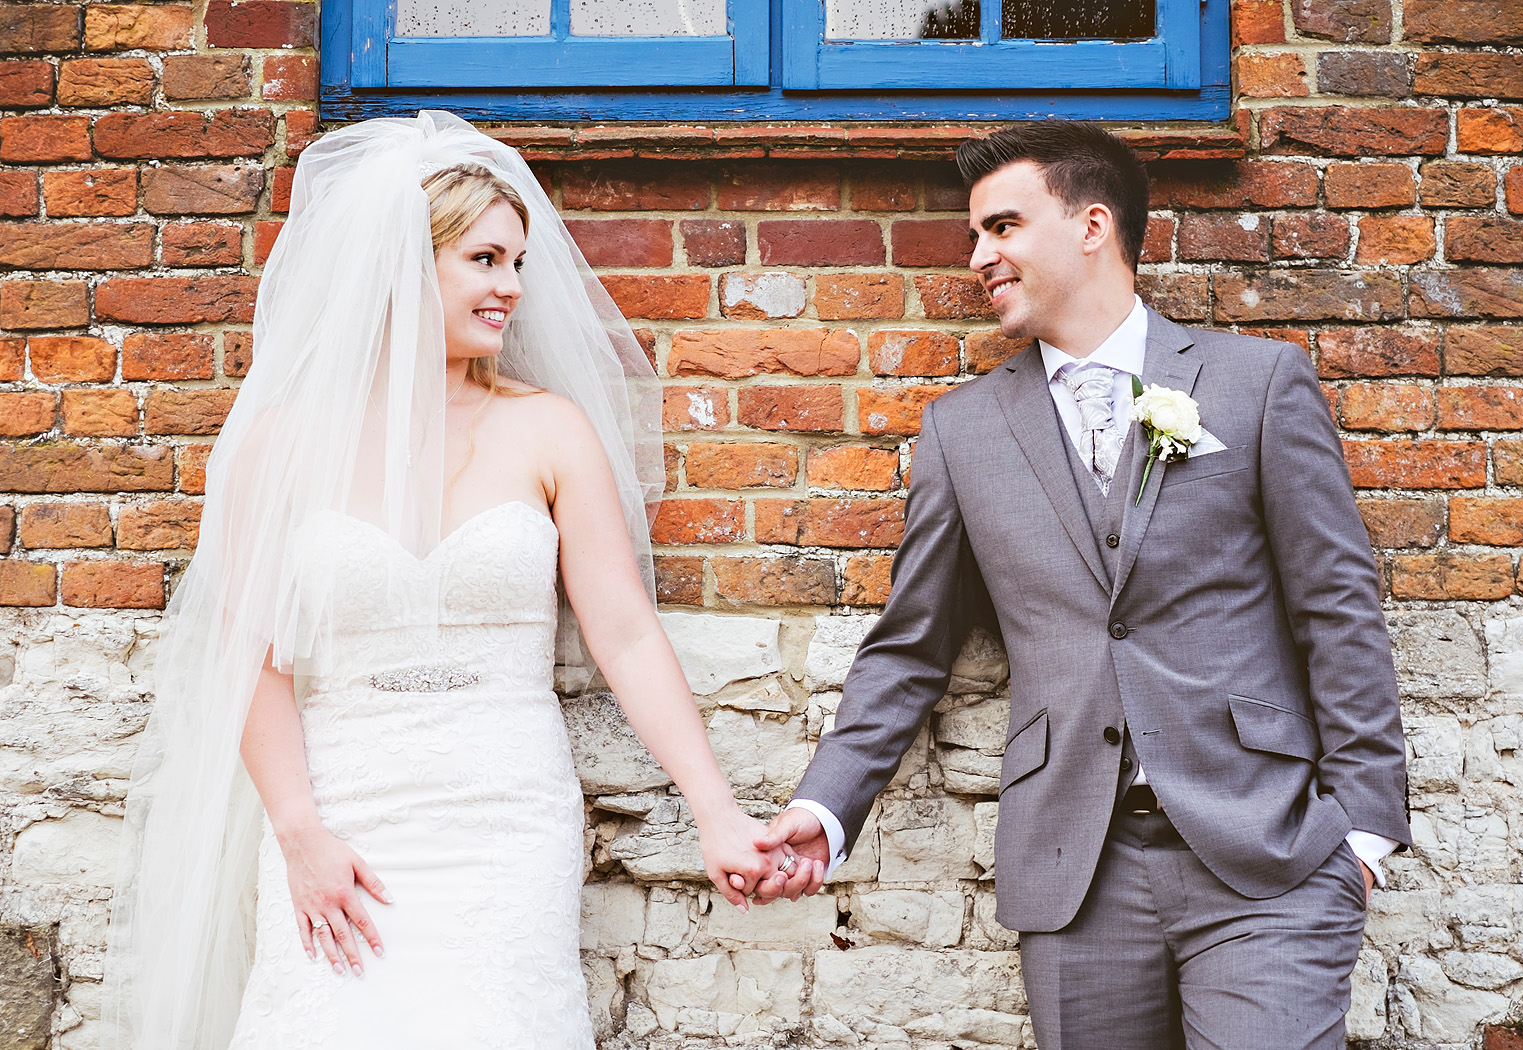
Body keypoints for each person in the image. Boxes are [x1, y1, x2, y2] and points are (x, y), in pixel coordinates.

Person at [103, 112, 789, 1050]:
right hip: (339, 812)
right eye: (484, 260)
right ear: (400, 264)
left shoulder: (550, 431)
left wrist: (714, 811)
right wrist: (300, 833)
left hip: (503, 812)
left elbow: (625, 635)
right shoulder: (282, 443)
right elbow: (247, 651)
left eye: (517, 264)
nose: (511, 288)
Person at [754, 119, 1410, 1050]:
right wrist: (825, 809)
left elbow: (1336, 606)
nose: (979, 256)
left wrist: (1364, 835)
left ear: (1092, 225)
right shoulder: (964, 431)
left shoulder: (1255, 383)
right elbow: (910, 647)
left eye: (1003, 227)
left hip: (1267, 857)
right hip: (1077, 873)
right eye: (977, 235)